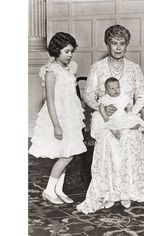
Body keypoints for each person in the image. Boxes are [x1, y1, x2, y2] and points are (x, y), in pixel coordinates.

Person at [76, 24, 144, 214]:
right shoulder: (98, 67)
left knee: (128, 137)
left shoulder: (134, 69)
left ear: (127, 45)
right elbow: (89, 95)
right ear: (107, 44)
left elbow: (142, 95)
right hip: (104, 117)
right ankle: (109, 191)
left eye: (122, 43)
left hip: (127, 116)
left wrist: (132, 112)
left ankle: (125, 190)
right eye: (114, 43)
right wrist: (102, 109)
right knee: (110, 140)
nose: (118, 47)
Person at [29, 32, 87, 204]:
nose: (70, 55)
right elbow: (51, 101)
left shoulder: (70, 67)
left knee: (67, 151)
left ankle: (58, 189)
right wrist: (56, 125)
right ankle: (48, 190)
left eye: (71, 52)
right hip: (58, 117)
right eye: (66, 51)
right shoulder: (51, 71)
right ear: (57, 51)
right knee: (68, 154)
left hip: (70, 115)